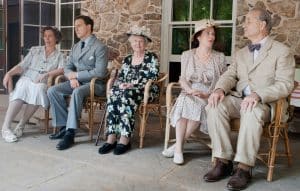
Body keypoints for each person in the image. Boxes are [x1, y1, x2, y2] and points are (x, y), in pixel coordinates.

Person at [203, 8, 295, 190]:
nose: (243, 25)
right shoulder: (241, 53)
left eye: (248, 21)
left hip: (265, 104)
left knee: (251, 109)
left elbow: (285, 84)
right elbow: (230, 74)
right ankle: (223, 160)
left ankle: (244, 168)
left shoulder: (282, 51)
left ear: (262, 25)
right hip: (239, 99)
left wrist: (258, 94)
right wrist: (220, 88)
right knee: (214, 105)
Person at [161, 19, 227, 164]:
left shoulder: (220, 57)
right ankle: (178, 150)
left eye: (213, 34)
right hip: (190, 91)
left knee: (195, 104)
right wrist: (190, 90)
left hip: (209, 96)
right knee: (185, 100)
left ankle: (178, 146)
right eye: (207, 33)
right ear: (198, 37)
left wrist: (207, 94)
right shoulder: (187, 55)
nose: (211, 37)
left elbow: (224, 82)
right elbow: (183, 78)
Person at [47, 15, 108, 150]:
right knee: (53, 90)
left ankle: (70, 133)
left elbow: (100, 72)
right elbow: (68, 67)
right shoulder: (75, 47)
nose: (76, 29)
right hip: (76, 82)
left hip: (95, 84)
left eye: (79, 25)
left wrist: (78, 75)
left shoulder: (100, 47)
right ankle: (64, 126)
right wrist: (72, 78)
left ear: (88, 27)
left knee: (77, 92)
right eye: (75, 26)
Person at [98, 25, 159, 155]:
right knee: (114, 93)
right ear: (131, 43)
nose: (138, 44)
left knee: (125, 95)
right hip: (127, 89)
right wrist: (121, 84)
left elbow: (152, 77)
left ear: (146, 43)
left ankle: (125, 138)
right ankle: (111, 137)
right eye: (135, 41)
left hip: (145, 90)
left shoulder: (152, 58)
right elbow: (121, 77)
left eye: (141, 41)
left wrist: (131, 85)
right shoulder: (127, 59)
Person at [1, 26, 65, 143]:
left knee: (39, 89)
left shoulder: (60, 55)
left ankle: (21, 125)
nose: (47, 38)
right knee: (21, 87)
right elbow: (22, 66)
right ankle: (5, 128)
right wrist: (9, 73)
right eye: (45, 36)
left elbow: (62, 70)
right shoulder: (35, 50)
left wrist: (46, 74)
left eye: (50, 36)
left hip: (43, 82)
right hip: (27, 77)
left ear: (56, 38)